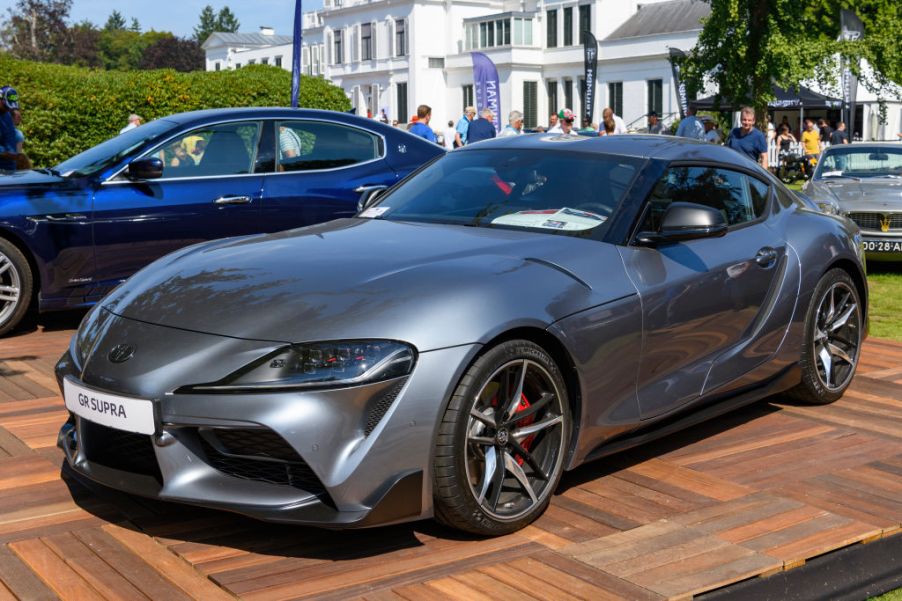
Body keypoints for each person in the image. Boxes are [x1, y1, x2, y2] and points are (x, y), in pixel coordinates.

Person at [0, 86, 20, 171]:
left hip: (7, 168)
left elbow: (10, 138)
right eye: (6, 106)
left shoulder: (7, 115)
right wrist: (5, 153)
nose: (8, 109)